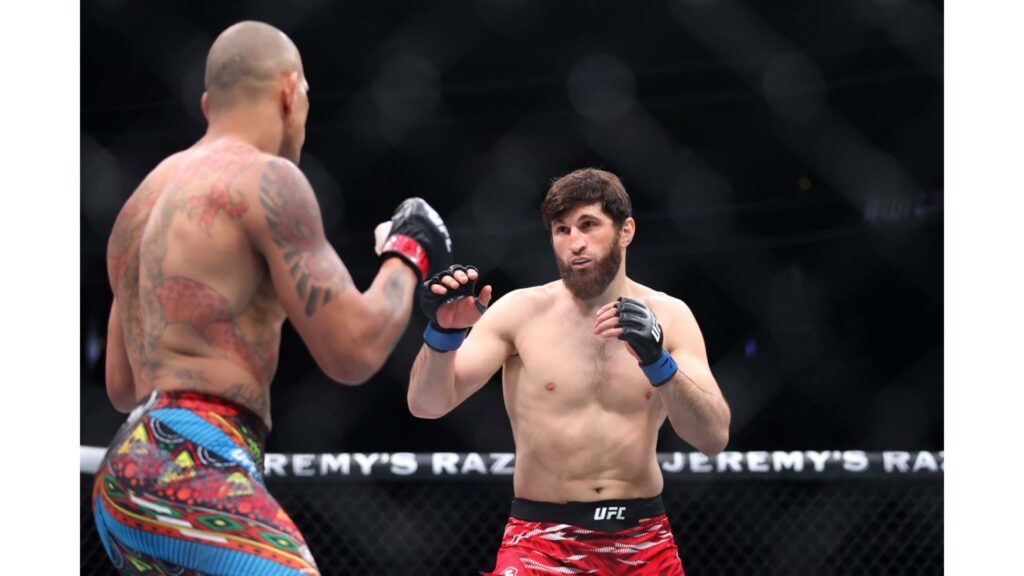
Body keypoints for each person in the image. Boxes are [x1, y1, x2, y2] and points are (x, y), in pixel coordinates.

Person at [92, 21, 452, 576]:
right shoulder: (268, 180)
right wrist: (409, 251)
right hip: (191, 463)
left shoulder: (140, 202)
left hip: (127, 473)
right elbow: (353, 350)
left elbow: (121, 385)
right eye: (305, 97)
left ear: (209, 104)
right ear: (289, 93)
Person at [408, 168, 730, 575]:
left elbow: (713, 437)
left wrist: (658, 363)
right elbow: (427, 404)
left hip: (643, 541)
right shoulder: (519, 312)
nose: (575, 242)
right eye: (562, 230)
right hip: (541, 543)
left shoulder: (671, 316)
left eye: (588, 225)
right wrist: (442, 336)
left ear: (626, 231)